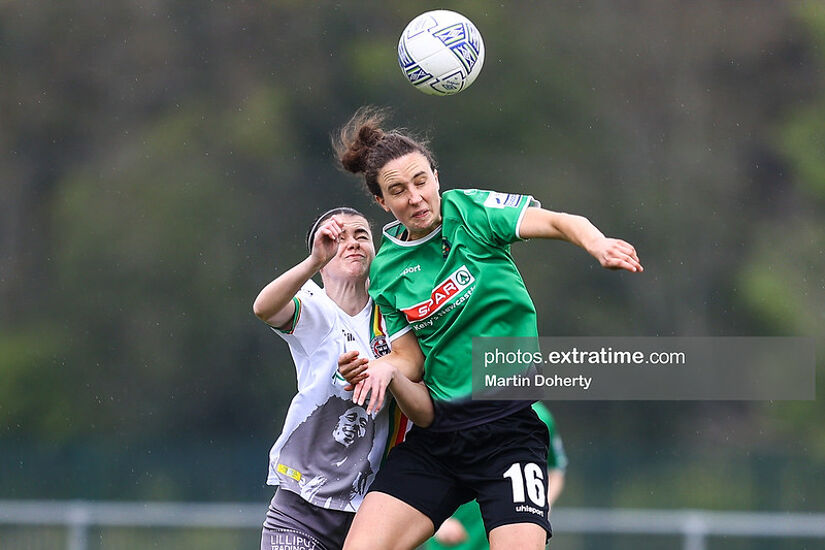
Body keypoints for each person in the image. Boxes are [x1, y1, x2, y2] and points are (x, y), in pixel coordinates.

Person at [332, 106, 643, 550]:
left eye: (421, 181)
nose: (415, 197)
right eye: (398, 191)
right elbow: (411, 361)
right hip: (438, 439)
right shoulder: (385, 270)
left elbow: (558, 221)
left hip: (509, 434)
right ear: (382, 202)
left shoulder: (472, 213)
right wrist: (385, 368)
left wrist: (598, 243)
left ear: (436, 176)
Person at [252, 206, 434, 550]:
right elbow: (264, 308)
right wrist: (313, 261)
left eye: (361, 235)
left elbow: (423, 409)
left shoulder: (394, 317)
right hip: (301, 508)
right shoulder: (312, 304)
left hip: (373, 513)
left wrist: (387, 372)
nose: (351, 243)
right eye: (337, 238)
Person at [426, 402, 567, 550]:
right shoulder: (448, 406)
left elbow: (554, 470)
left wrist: (538, 514)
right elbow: (422, 468)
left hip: (513, 535)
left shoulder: (540, 416)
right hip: (456, 538)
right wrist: (438, 521)